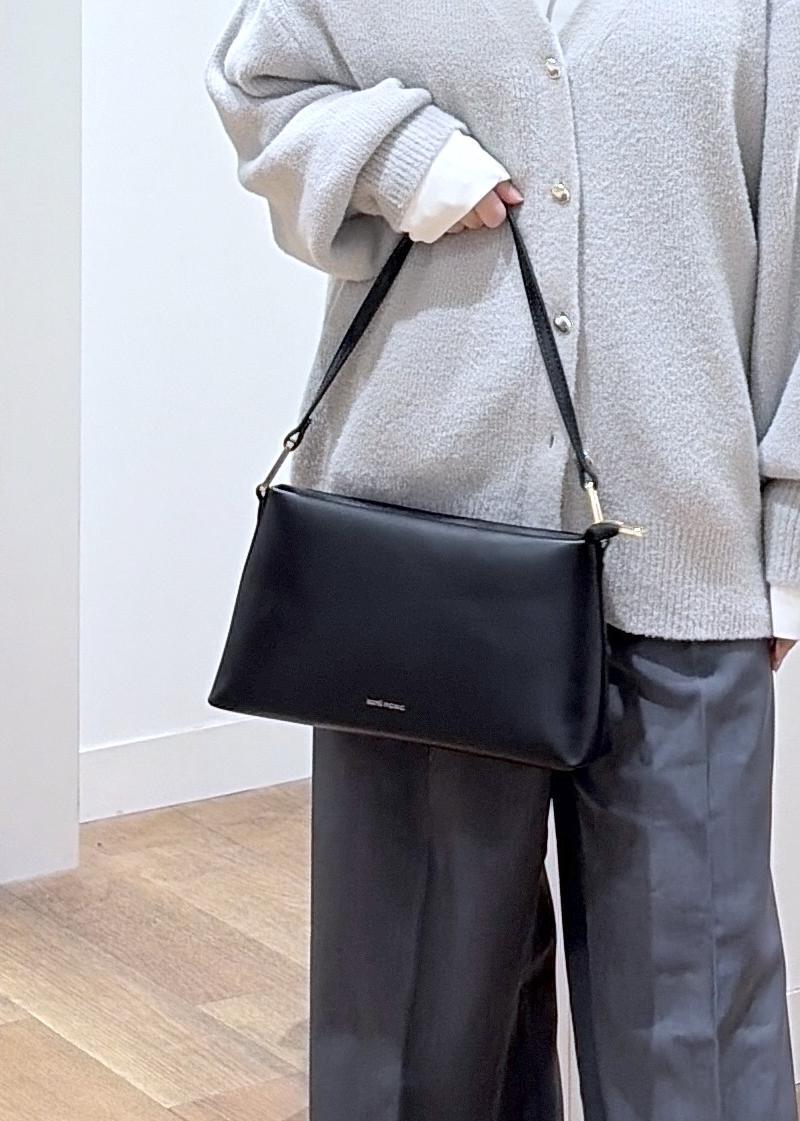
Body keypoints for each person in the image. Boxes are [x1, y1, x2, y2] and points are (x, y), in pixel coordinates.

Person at [205, 1, 800, 1117]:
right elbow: (256, 86)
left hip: (685, 545)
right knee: (416, 1002)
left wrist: (786, 536)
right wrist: (396, 155)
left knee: (697, 1006)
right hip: (420, 552)